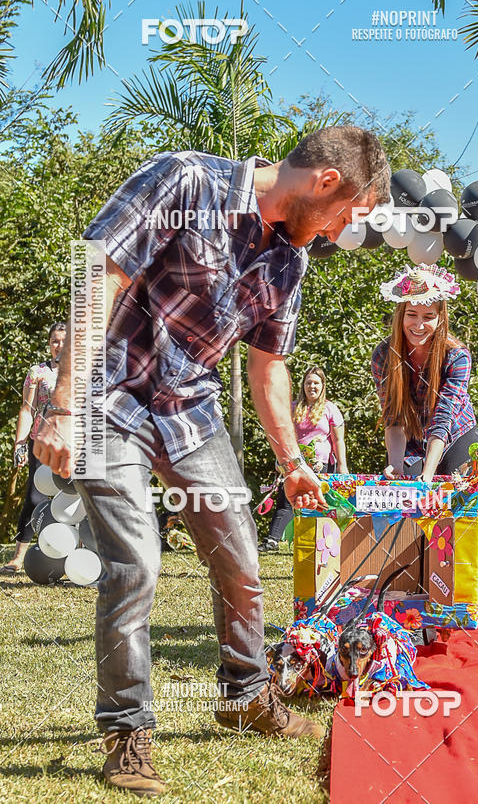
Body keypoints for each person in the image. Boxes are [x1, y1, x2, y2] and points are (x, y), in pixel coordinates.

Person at [33, 125, 390, 796]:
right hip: (108, 402)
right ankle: (127, 732)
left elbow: (269, 367)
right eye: (350, 213)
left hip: (190, 414)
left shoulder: (289, 261)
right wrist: (64, 405)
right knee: (137, 563)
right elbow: (97, 273)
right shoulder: (187, 181)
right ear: (325, 182)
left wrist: (292, 461)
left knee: (241, 557)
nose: (343, 230)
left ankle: (244, 698)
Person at [371, 263, 478, 483]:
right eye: (412, 314)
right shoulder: (383, 355)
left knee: (456, 492)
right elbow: (393, 418)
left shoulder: (457, 356)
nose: (419, 325)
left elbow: (443, 418)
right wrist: (395, 464)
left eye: (428, 317)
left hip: (454, 432)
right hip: (410, 437)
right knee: (405, 493)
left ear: (440, 318)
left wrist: (428, 474)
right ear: (401, 315)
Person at [259, 366, 348, 552]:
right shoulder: (292, 408)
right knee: (285, 502)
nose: (312, 386)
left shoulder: (330, 409)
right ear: (303, 385)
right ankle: (272, 540)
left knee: (318, 502)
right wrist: (279, 460)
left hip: (321, 465)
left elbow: (338, 440)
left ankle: (320, 542)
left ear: (322, 385)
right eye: (308, 383)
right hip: (295, 464)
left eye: (316, 383)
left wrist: (342, 466)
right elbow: (281, 436)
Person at [0, 322, 67, 574]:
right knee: (34, 497)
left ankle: (77, 554)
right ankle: (18, 558)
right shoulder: (37, 372)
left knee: (75, 498)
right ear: (49, 344)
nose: (59, 345)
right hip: (41, 443)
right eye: (55, 341)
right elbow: (26, 410)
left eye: (64, 340)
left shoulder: (82, 372)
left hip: (72, 445)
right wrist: (19, 443)